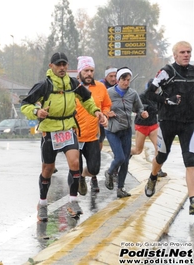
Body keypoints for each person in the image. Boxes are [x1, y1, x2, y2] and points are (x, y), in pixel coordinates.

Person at [20, 52, 107, 221]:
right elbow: (25, 104)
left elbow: (87, 100)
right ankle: (42, 203)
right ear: (51, 66)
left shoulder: (73, 84)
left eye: (64, 65)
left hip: (68, 127)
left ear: (67, 66)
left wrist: (96, 111)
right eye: (58, 65)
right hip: (50, 129)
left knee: (75, 163)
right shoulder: (44, 85)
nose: (61, 68)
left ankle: (73, 202)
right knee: (48, 169)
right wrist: (37, 111)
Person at [144, 41, 194, 215]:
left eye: (189, 52)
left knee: (191, 160)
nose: (186, 54)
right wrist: (166, 100)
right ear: (175, 55)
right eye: (182, 52)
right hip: (168, 121)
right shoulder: (167, 71)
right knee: (162, 156)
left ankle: (192, 200)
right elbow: (149, 93)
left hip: (189, 123)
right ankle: (152, 177)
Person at [104, 67, 149, 198]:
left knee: (126, 161)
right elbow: (101, 107)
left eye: (128, 80)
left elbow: (139, 108)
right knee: (120, 157)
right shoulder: (108, 93)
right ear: (118, 80)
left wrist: (143, 113)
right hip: (112, 130)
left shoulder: (133, 94)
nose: (126, 82)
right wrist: (107, 113)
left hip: (126, 130)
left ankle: (120, 188)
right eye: (123, 79)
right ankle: (110, 172)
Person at [74, 56, 111, 195]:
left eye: (91, 70)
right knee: (75, 169)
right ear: (79, 72)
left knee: (94, 169)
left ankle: (83, 177)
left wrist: (105, 115)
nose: (89, 73)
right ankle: (73, 200)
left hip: (92, 136)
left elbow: (107, 104)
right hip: (75, 136)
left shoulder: (100, 87)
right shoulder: (73, 88)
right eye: (86, 70)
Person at [130, 79, 167, 177]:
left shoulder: (158, 97)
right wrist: (148, 108)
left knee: (159, 147)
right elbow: (137, 108)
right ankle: (125, 154)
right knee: (138, 150)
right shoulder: (141, 96)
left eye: (156, 89)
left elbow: (160, 108)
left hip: (153, 125)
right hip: (142, 125)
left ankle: (157, 169)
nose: (155, 90)